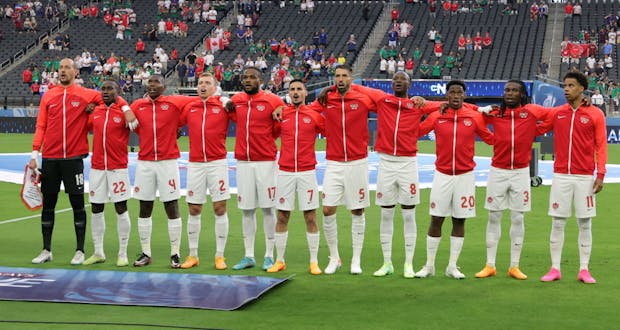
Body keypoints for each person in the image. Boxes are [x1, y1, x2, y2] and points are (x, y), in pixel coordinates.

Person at [29, 58, 136, 265]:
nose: (63, 71)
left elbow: (113, 95)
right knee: (48, 205)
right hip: (50, 158)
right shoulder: (48, 96)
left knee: (78, 205)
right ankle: (46, 249)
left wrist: (125, 108)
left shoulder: (87, 94)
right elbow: (41, 125)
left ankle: (80, 250)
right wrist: (35, 154)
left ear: (76, 72)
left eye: (67, 67)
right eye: (60, 67)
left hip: (74, 159)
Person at [350, 72, 436, 278]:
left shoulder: (417, 104)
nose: (398, 81)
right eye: (395, 79)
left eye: (402, 79)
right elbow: (358, 88)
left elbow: (443, 106)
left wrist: (420, 126)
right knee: (386, 212)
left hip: (408, 163)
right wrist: (333, 87)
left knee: (409, 212)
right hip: (386, 163)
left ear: (409, 84)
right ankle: (387, 262)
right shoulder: (383, 99)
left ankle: (408, 263)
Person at [474, 80, 553, 280]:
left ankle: (514, 266)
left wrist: (536, 131)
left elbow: (554, 115)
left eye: (514, 90)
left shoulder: (531, 111)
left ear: (522, 94)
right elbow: (476, 119)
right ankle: (490, 264)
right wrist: (490, 138)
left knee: (518, 217)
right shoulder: (495, 112)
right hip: (497, 172)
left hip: (520, 173)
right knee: (494, 216)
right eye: (507, 90)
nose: (509, 93)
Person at [415, 80, 494, 279]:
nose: (456, 95)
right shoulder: (437, 115)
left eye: (459, 92)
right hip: (442, 175)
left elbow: (491, 139)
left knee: (459, 220)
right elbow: (417, 132)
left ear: (464, 96)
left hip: (465, 176)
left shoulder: (474, 117)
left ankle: (452, 266)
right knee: (436, 219)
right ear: (447, 95)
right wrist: (416, 110)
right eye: (452, 92)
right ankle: (429, 265)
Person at [538, 71, 607, 284]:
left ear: (581, 89)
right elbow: (538, 128)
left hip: (585, 177)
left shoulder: (595, 114)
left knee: (584, 223)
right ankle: (555, 268)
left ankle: (584, 270)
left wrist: (601, 174)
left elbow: (601, 145)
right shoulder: (558, 113)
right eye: (565, 85)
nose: (566, 89)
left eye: (570, 85)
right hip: (561, 176)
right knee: (558, 222)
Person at [307, 64, 376, 275]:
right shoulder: (327, 99)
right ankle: (334, 257)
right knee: (328, 209)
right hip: (334, 162)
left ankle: (356, 260)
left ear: (351, 78)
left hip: (358, 161)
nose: (340, 79)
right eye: (337, 76)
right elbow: (307, 111)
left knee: (357, 210)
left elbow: (387, 106)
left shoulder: (363, 98)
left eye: (344, 76)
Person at [225, 67, 285, 271]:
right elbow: (223, 106)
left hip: (266, 162)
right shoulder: (238, 100)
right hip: (243, 162)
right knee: (246, 210)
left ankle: (269, 255)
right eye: (245, 77)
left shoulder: (273, 101)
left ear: (261, 80)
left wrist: (265, 143)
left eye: (252, 77)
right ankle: (248, 255)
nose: (248, 80)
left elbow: (279, 125)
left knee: (268, 208)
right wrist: (225, 101)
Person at [129, 74, 191, 268]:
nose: (152, 85)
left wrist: (179, 126)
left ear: (164, 86)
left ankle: (175, 253)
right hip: (145, 162)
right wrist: (125, 109)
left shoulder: (174, 102)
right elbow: (132, 124)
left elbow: (194, 105)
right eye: (150, 83)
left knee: (171, 206)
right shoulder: (137, 105)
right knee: (144, 207)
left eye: (157, 82)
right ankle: (146, 252)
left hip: (168, 162)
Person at [266, 79, 325, 275]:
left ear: (306, 92)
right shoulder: (282, 114)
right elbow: (270, 136)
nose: (296, 92)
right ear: (289, 93)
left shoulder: (314, 116)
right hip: (285, 172)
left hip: (307, 171)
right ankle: (280, 260)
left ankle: (314, 261)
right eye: (292, 89)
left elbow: (330, 132)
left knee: (310, 216)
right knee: (282, 215)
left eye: (299, 89)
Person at [179, 73, 231, 270]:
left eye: (207, 83)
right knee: (194, 208)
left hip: (217, 163)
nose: (202, 86)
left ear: (214, 87)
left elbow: (241, 113)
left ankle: (220, 256)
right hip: (195, 164)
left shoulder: (223, 106)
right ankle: (193, 255)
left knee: (219, 208)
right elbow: (175, 122)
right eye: (200, 82)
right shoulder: (190, 107)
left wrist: (225, 99)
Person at [83, 80, 133, 267]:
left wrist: (124, 105)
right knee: (96, 209)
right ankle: (98, 252)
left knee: (120, 208)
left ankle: (122, 253)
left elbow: (136, 125)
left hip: (117, 167)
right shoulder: (95, 111)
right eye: (102, 89)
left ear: (118, 91)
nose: (105, 92)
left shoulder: (124, 112)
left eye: (109, 88)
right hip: (96, 168)